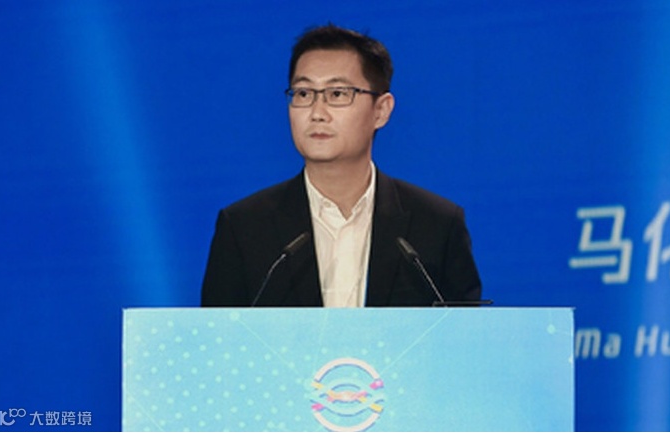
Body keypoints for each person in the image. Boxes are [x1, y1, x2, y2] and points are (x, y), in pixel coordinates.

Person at [201, 24, 481, 307]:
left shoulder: (437, 225)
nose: (317, 113)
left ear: (381, 110)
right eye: (303, 94)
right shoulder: (244, 227)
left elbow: (463, 332)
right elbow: (221, 332)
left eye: (337, 94)